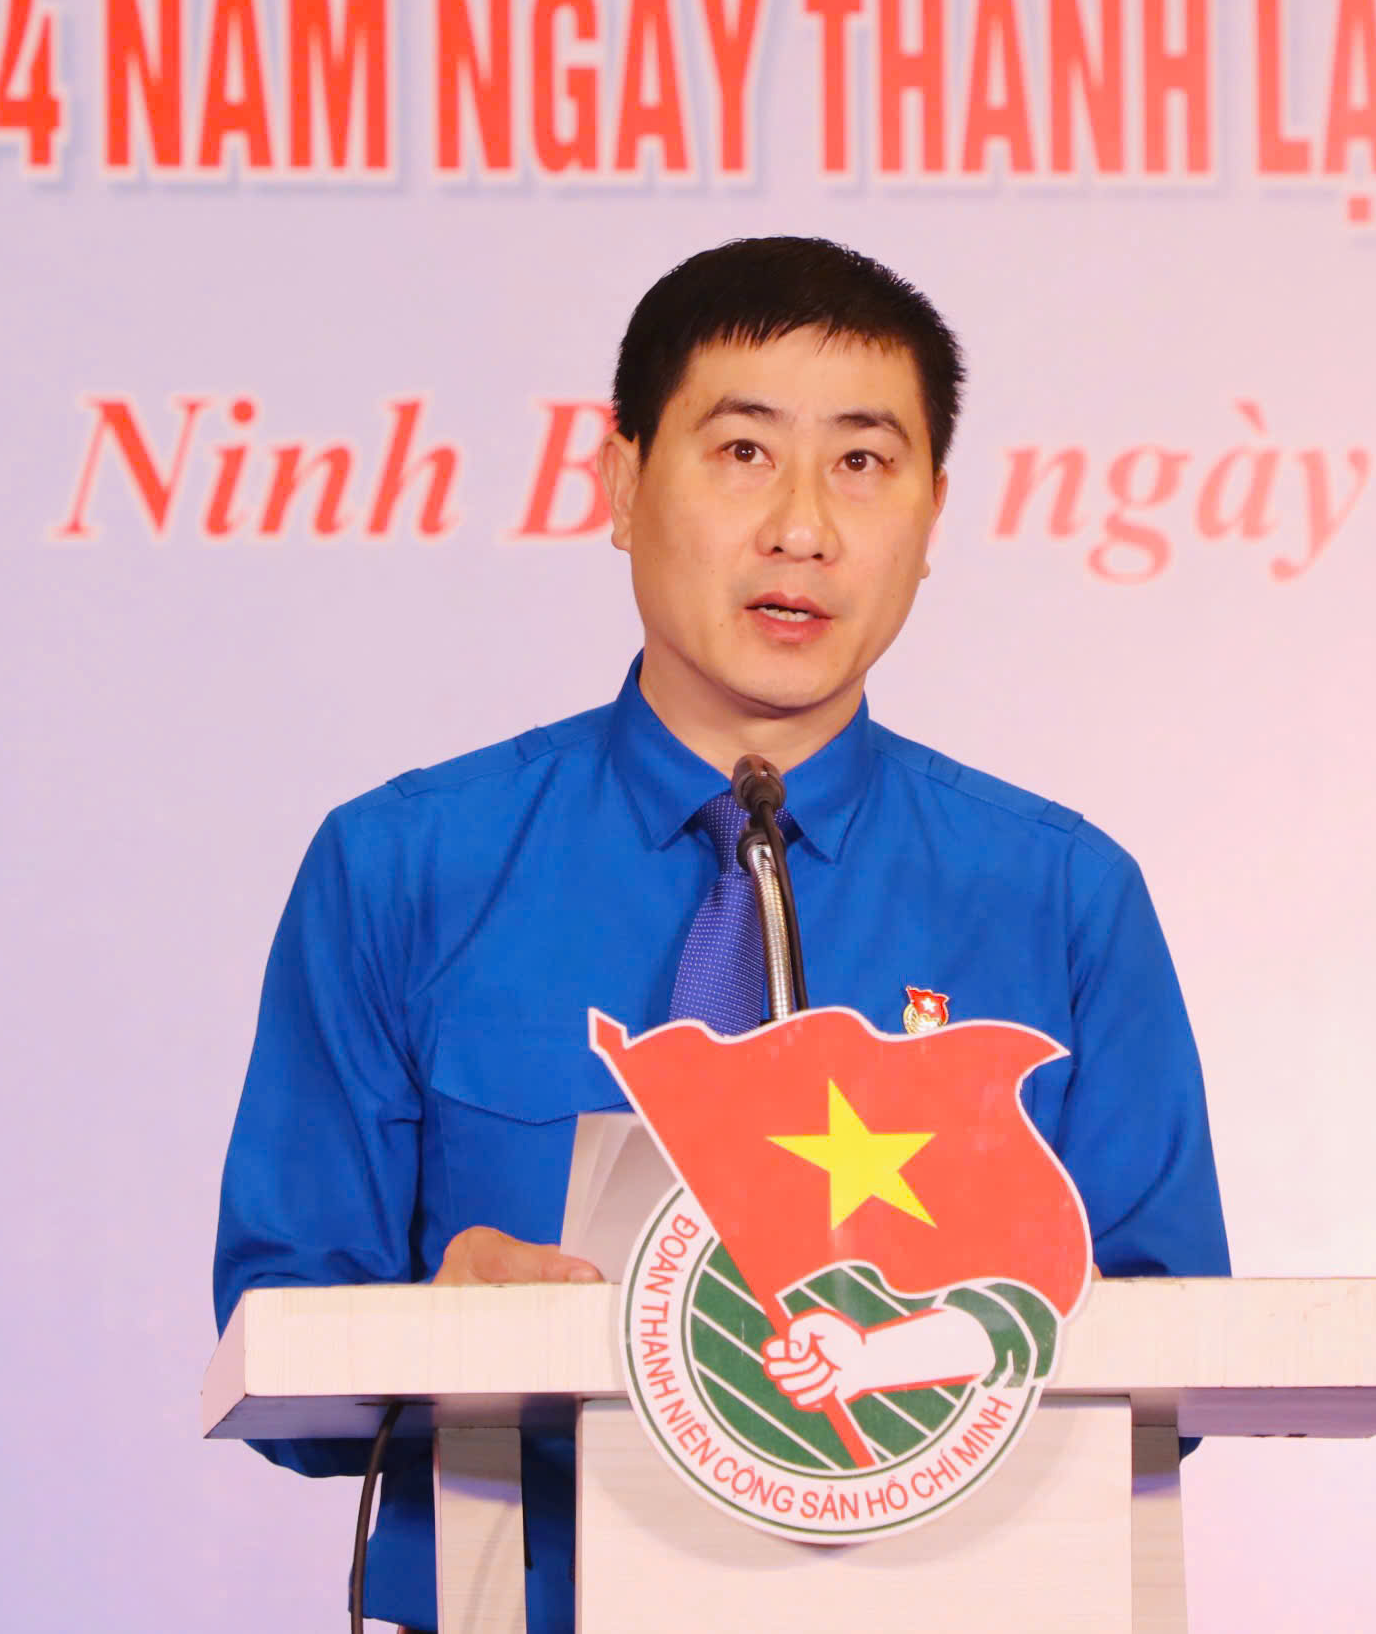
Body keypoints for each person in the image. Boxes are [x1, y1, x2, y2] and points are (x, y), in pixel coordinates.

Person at [211, 236, 1230, 1633]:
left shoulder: (1060, 897)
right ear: (622, 485)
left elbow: (1178, 1352)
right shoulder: (404, 869)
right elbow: (280, 1332)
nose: (802, 527)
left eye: (863, 462)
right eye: (745, 452)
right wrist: (436, 1332)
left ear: (934, 515)